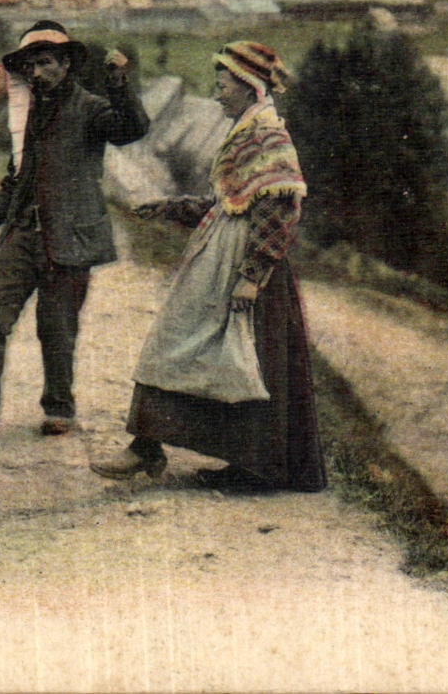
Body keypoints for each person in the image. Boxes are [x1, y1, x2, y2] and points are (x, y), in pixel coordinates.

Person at [90, 41, 326, 493]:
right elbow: (228, 203)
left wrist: (252, 277)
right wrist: (169, 208)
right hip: (223, 256)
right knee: (185, 344)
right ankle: (150, 445)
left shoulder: (267, 136)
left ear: (249, 87)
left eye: (223, 86)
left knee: (245, 364)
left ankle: (254, 467)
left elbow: (281, 210)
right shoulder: (245, 132)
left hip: (247, 268)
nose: (217, 94)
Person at [0, 21, 149, 440]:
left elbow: (132, 130)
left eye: (46, 62)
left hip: (70, 237)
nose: (36, 73)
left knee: (57, 327)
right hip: (23, 234)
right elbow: (18, 175)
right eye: (30, 65)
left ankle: (60, 409)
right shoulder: (29, 112)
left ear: (67, 63)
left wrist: (120, 84)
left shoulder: (91, 109)